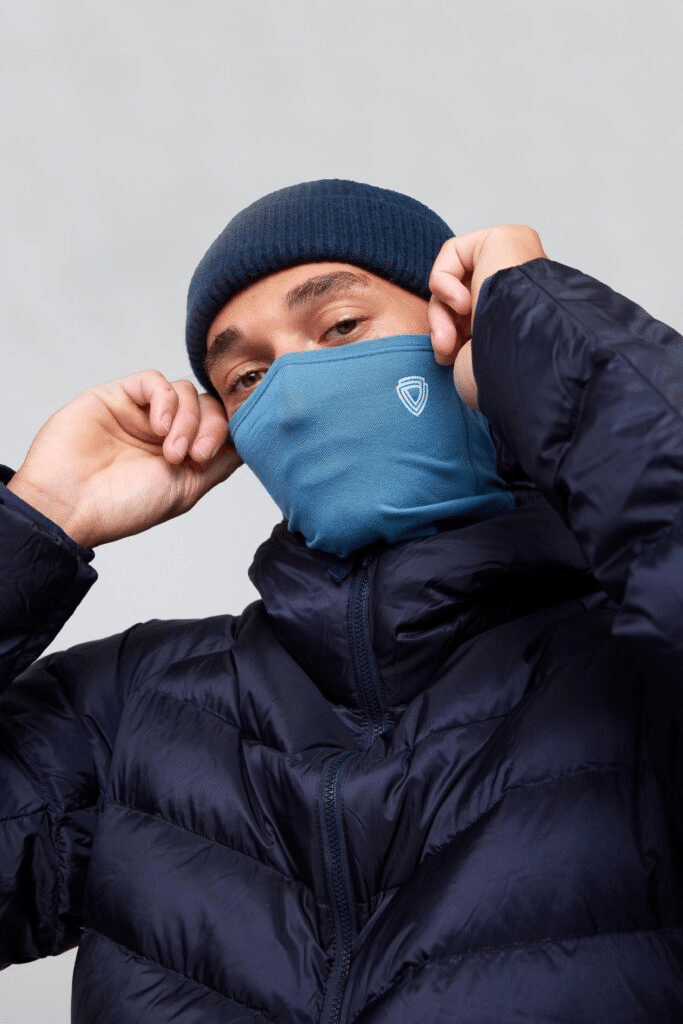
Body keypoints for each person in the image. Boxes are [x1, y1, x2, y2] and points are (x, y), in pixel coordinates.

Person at [1, 178, 682, 1023]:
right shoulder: (129, 706)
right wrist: (37, 522)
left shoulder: (633, 657)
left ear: (460, 331)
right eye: (248, 376)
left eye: (342, 327)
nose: (297, 387)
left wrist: (547, 337)